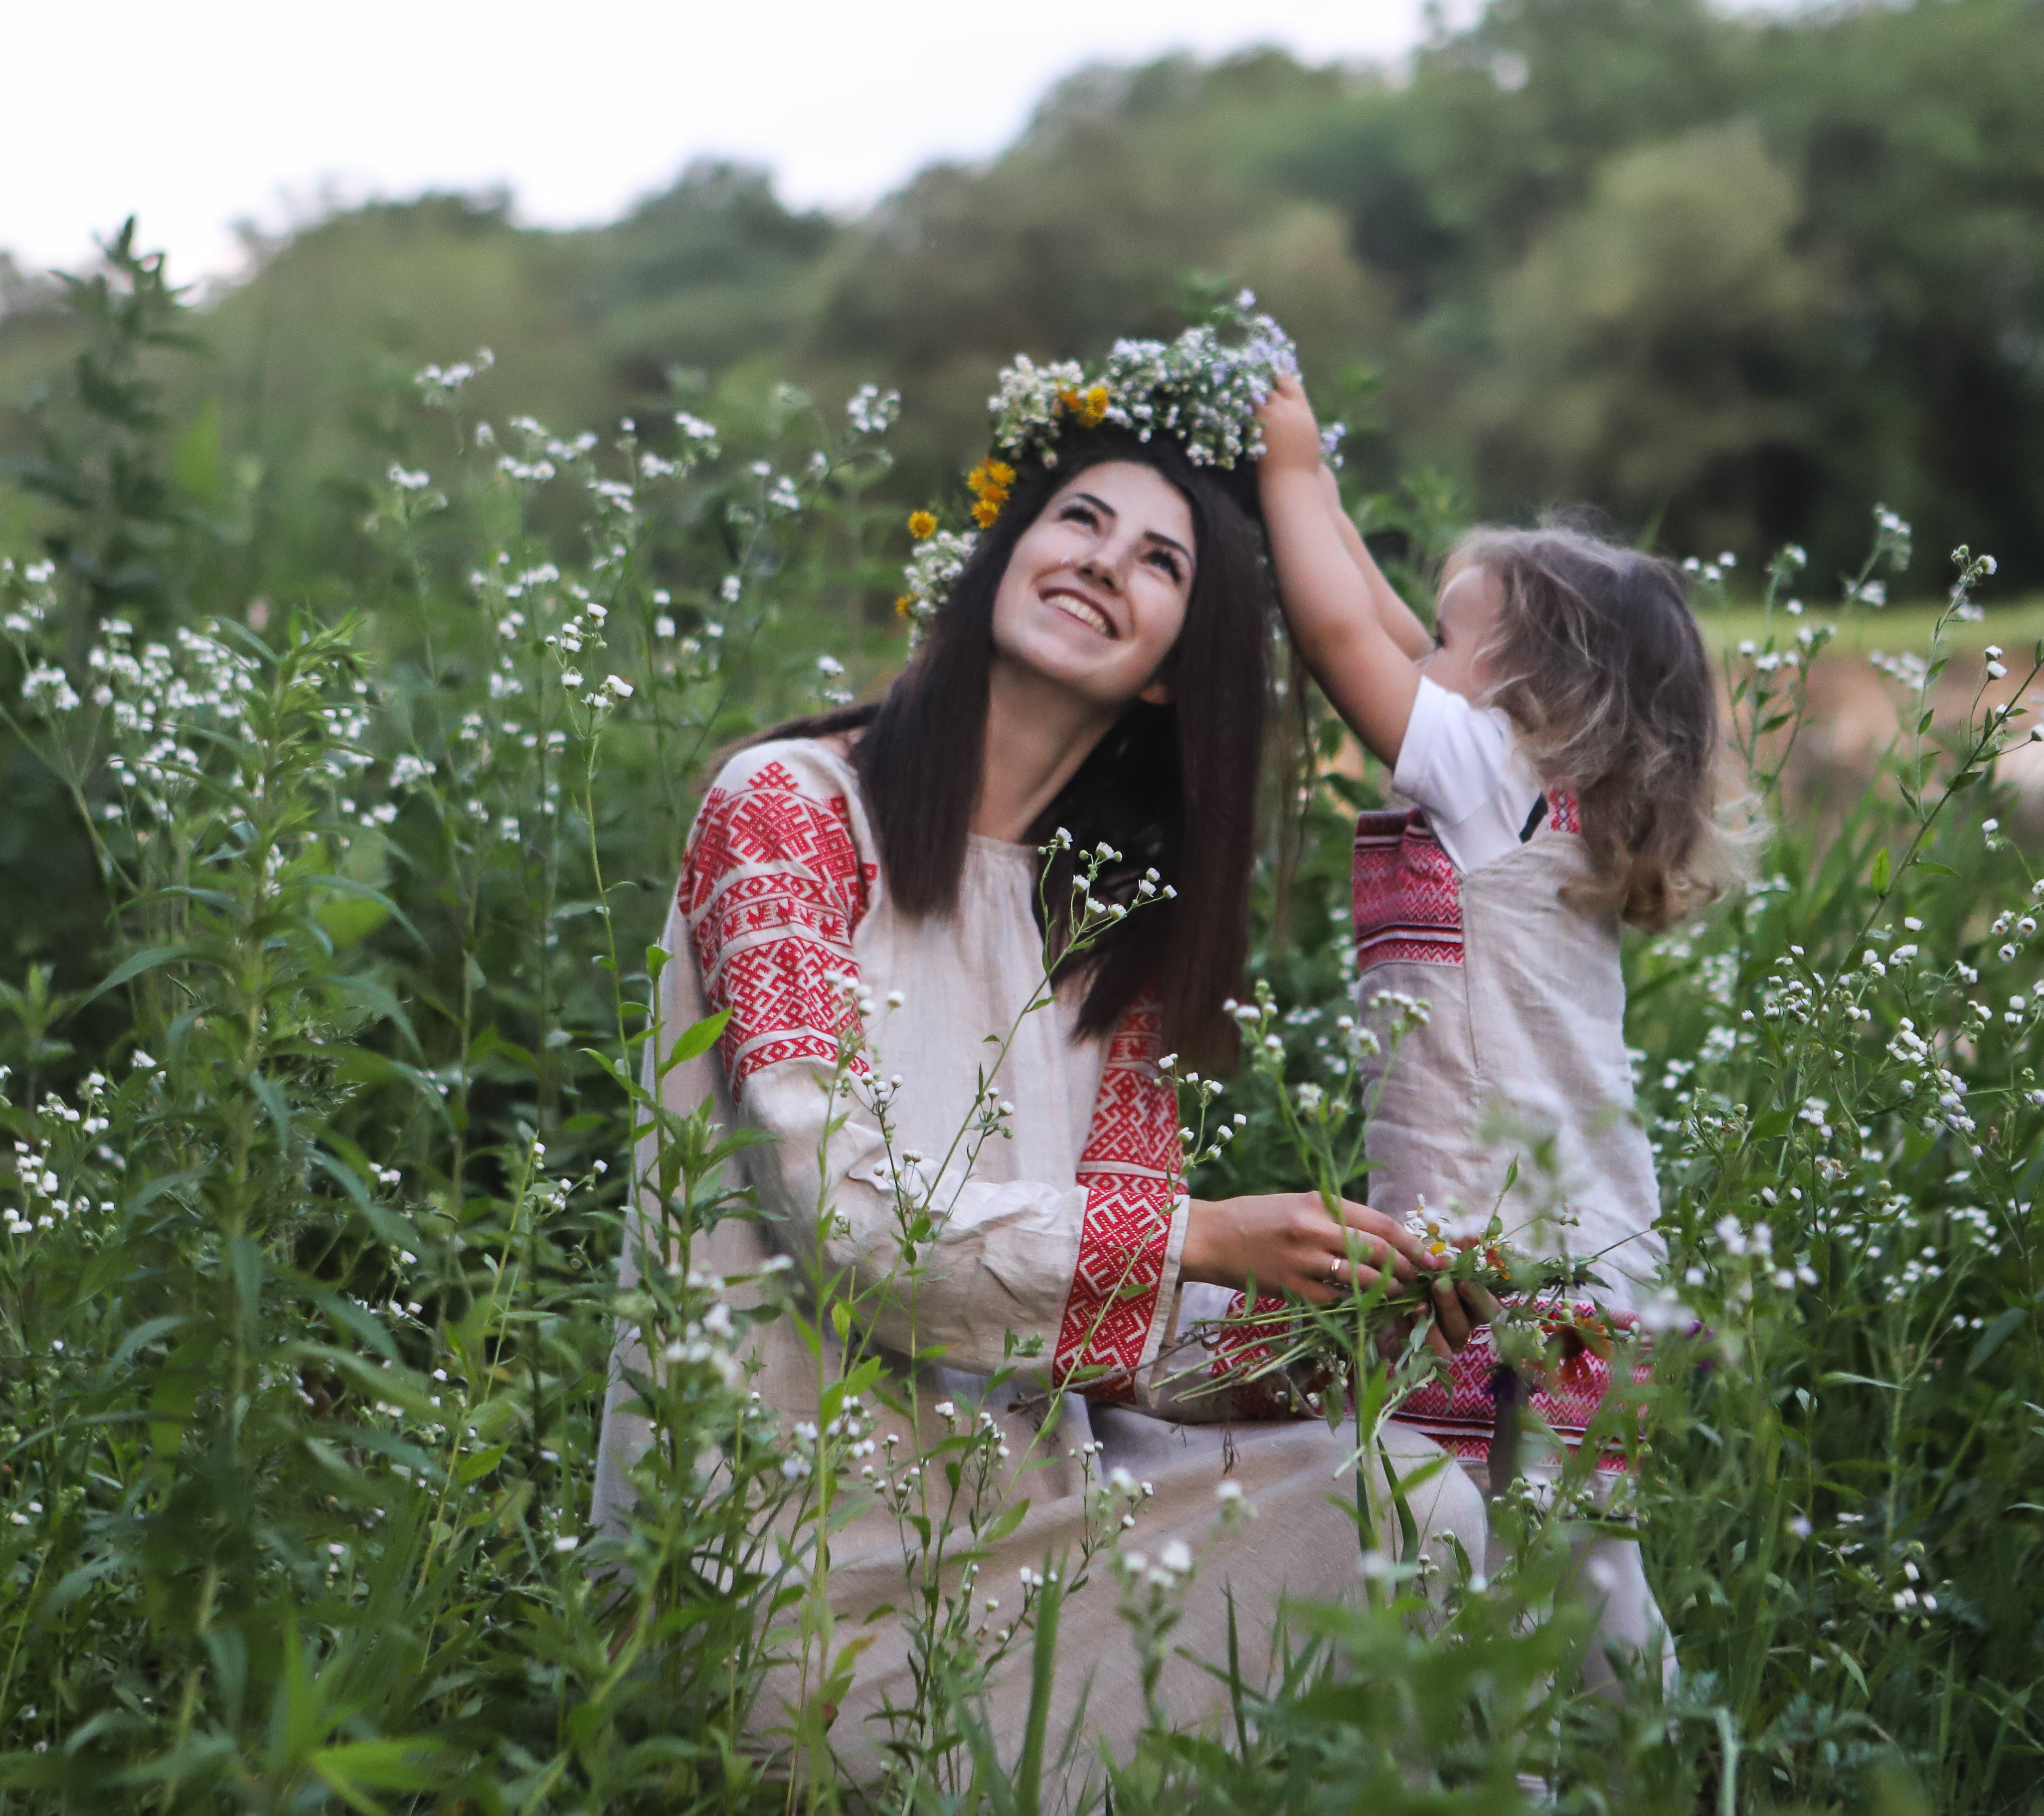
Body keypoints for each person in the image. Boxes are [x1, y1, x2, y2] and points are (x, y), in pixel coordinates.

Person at [592, 321, 1487, 1808]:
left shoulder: (1102, 929)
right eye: (1077, 517)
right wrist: (1204, 1233)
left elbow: (1119, 1343)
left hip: (1036, 1531)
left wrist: (1347, 1315)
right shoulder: (790, 812)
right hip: (803, 1585)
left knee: (1414, 1485)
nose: (1099, 558)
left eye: (1157, 560)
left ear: (1166, 674)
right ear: (1001, 555)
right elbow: (854, 1224)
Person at [1253, 370, 1735, 1694]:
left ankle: (1561, 1771)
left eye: (1449, 641)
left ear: (1530, 686)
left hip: (1515, 1265)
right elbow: (1382, 618)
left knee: (1487, 1563)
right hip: (1583, 1247)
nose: (1419, 655)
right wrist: (1323, 499)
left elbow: (1345, 635)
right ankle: (1649, 1760)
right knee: (1574, 1560)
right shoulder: (1540, 801)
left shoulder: (1483, 779)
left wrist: (1290, 471)